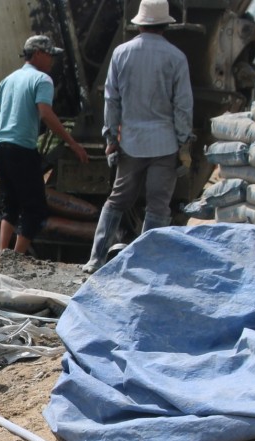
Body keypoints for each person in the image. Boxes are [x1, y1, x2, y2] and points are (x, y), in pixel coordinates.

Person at [82, 0, 193, 273]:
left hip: (131, 143)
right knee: (158, 206)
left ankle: (95, 259)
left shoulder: (121, 53)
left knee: (117, 199)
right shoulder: (176, 57)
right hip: (165, 144)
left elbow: (112, 99)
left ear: (139, 23)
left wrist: (111, 139)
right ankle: (146, 264)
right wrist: (184, 144)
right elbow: (182, 106)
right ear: (166, 25)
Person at [0, 35, 89, 255]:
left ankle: (2, 254)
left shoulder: (7, 80)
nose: (52, 60)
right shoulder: (42, 79)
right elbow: (45, 113)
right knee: (35, 209)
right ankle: (16, 257)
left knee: (10, 204)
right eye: (50, 54)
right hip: (21, 149)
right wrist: (72, 143)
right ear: (37, 54)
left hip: (0, 147)